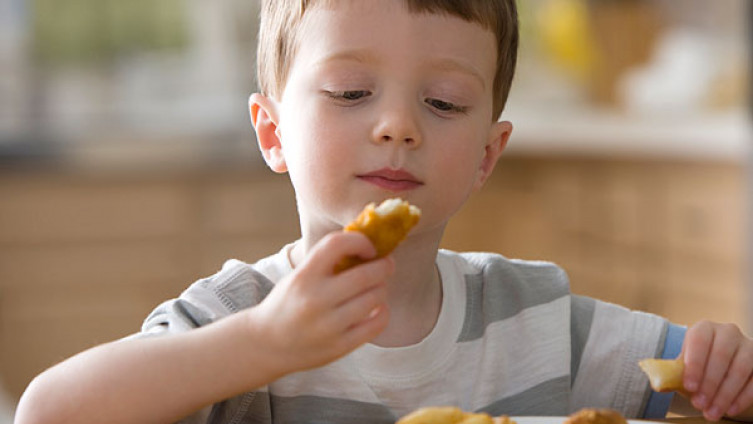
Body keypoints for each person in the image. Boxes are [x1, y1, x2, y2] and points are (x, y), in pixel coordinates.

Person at [14, 1, 753, 423]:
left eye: (443, 102)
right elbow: (47, 412)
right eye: (349, 92)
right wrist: (265, 345)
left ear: (486, 157)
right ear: (273, 133)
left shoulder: (536, 320)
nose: (397, 125)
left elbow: (699, 379)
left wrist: (724, 368)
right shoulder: (233, 323)